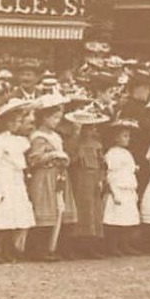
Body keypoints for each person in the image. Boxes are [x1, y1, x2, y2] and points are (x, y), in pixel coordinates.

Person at [0, 101, 36, 264]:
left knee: (15, 216)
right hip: (3, 180)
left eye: (20, 121)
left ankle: (8, 249)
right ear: (6, 122)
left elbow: (19, 163)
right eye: (16, 121)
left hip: (15, 180)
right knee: (3, 216)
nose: (18, 124)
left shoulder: (18, 141)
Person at [24, 97, 70, 261]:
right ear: (44, 117)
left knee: (57, 210)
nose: (57, 121)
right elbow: (34, 159)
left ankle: (52, 246)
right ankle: (37, 249)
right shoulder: (38, 136)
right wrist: (52, 155)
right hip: (44, 175)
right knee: (43, 211)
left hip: (57, 175)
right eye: (54, 117)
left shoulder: (56, 136)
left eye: (59, 118)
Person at [61, 110, 107, 259]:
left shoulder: (97, 144)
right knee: (81, 211)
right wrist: (76, 151)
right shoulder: (73, 142)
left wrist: (101, 179)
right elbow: (70, 161)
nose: (90, 131)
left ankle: (91, 246)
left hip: (93, 179)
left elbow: (102, 164)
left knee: (94, 211)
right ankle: (75, 246)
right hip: (79, 179)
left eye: (93, 127)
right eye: (87, 127)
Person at [102, 120, 141, 255]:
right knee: (115, 219)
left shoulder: (127, 153)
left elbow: (130, 171)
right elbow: (111, 174)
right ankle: (112, 246)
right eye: (124, 136)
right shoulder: (112, 153)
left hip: (128, 187)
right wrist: (114, 192)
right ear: (115, 137)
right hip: (118, 189)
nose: (127, 139)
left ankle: (125, 244)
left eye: (128, 136)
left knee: (127, 218)